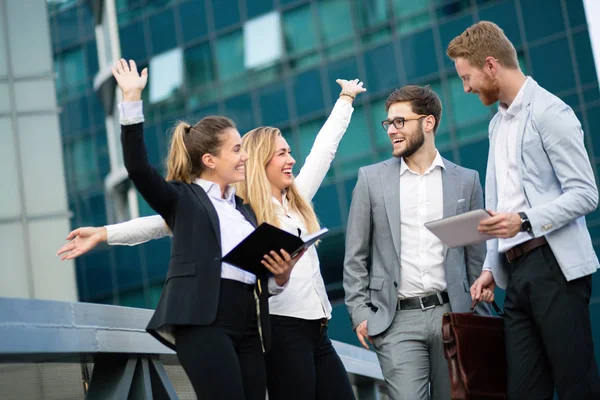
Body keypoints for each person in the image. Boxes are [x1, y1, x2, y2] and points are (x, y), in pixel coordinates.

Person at [58, 75, 367, 399]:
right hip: (264, 326)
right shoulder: (229, 206)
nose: (290, 159)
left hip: (295, 326)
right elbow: (158, 220)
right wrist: (107, 233)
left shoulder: (259, 208)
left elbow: (323, 152)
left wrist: (345, 100)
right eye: (280, 154)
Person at [103, 58, 306, 400]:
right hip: (203, 322)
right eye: (237, 150)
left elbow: (257, 275)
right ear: (210, 160)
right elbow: (138, 167)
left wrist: (280, 275)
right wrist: (131, 101)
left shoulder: (245, 211)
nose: (245, 157)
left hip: (249, 324)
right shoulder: (183, 199)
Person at [447, 21, 600, 399]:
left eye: (467, 78)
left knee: (575, 385)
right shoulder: (496, 125)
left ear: (490, 65)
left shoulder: (551, 112)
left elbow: (586, 193)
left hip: (555, 268)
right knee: (523, 392)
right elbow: (501, 203)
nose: (466, 88)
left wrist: (525, 221)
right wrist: (488, 268)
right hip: (515, 274)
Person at [343, 84, 492, 400]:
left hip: (452, 316)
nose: (392, 131)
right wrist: (360, 311)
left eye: (400, 122)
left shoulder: (467, 180)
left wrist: (477, 306)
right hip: (396, 321)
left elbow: (475, 258)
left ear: (428, 122)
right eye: (389, 124)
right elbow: (355, 255)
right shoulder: (371, 180)